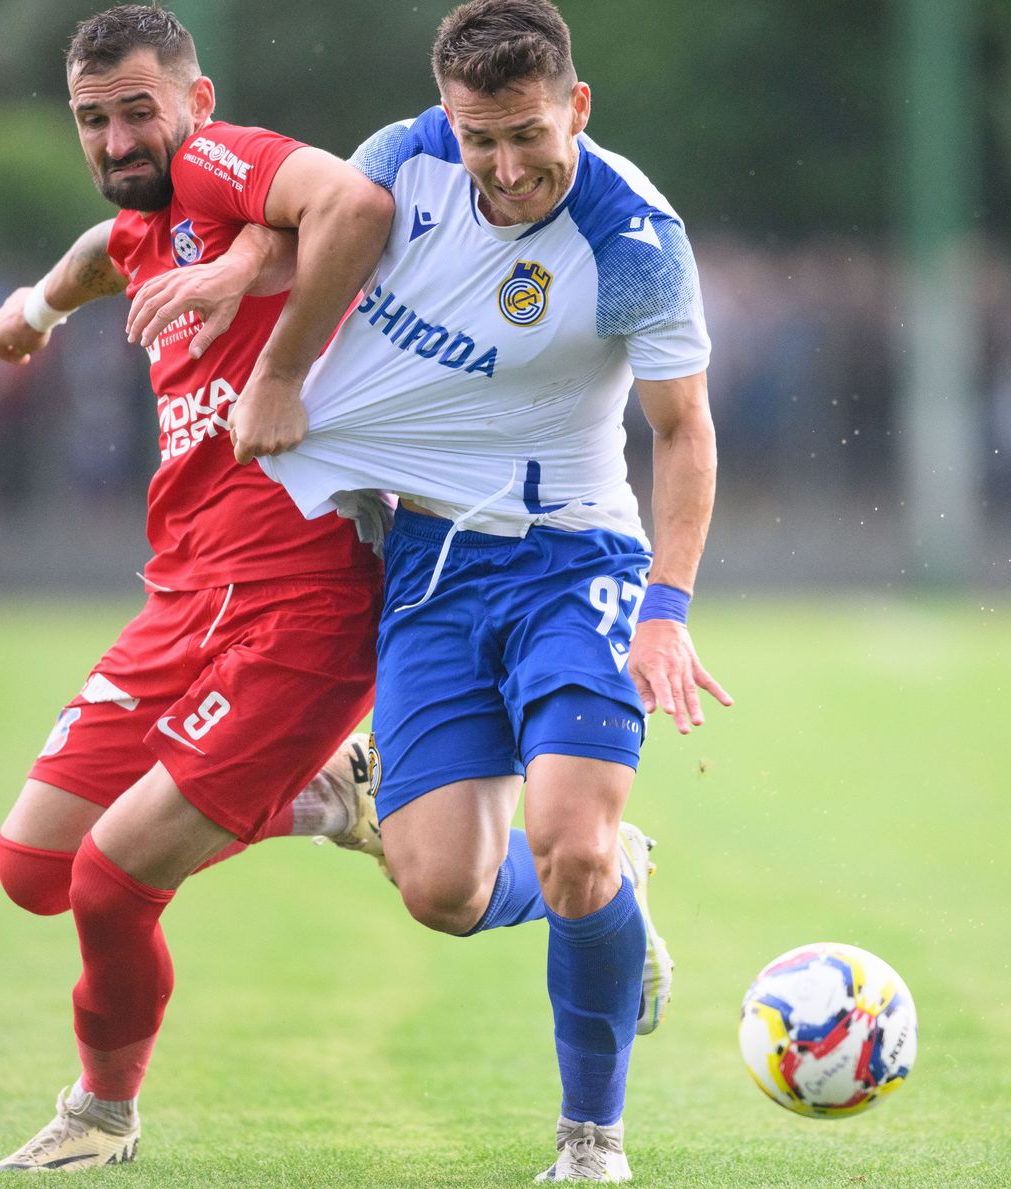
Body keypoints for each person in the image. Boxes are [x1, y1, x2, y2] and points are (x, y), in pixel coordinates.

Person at [228, 1, 732, 1180]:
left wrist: (667, 607)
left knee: (567, 841)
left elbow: (686, 431)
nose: (504, 170)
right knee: (445, 891)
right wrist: (239, 284)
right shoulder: (402, 160)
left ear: (578, 107)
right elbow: (296, 231)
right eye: (479, 138)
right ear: (444, 116)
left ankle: (590, 1141)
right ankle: (621, 877)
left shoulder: (636, 238)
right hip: (435, 563)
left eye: (528, 137)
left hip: (577, 563)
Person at [0, 4, 396, 1171]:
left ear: (197, 102)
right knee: (34, 869)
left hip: (299, 606)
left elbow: (354, 208)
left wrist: (265, 346)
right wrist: (37, 310)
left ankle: (99, 1117)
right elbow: (94, 253)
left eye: (137, 111)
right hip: (184, 600)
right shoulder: (147, 228)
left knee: (113, 884)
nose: (116, 140)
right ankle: (323, 796)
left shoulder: (224, 162)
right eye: (91, 119)